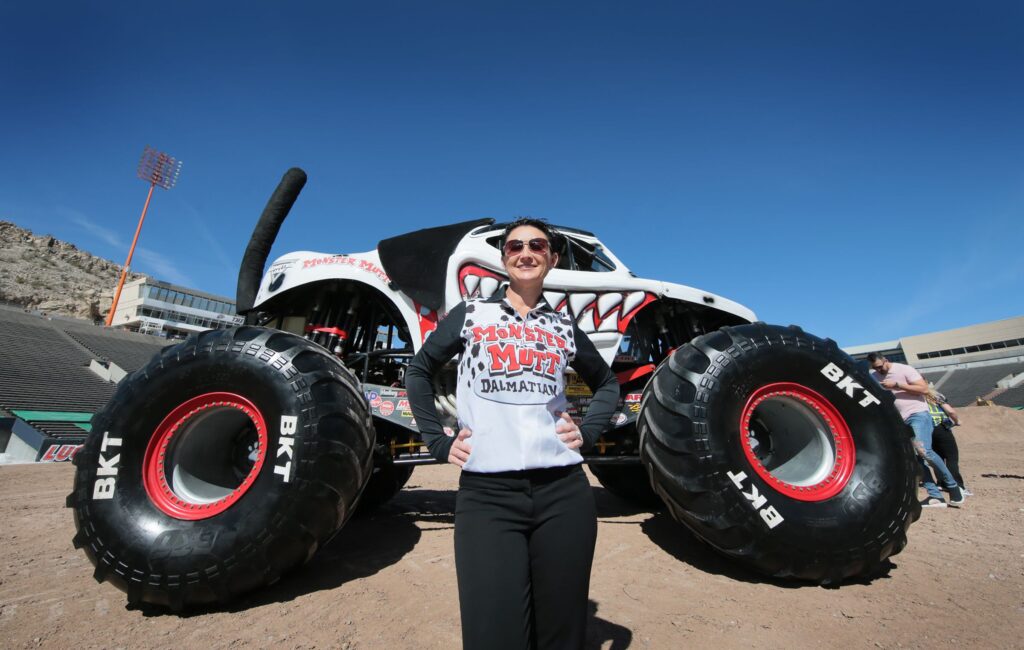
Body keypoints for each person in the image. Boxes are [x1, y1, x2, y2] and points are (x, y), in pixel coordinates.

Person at [405, 218, 619, 650]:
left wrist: (590, 433)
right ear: (504, 258)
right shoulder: (471, 314)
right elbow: (419, 371)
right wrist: (438, 441)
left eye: (537, 246)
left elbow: (608, 384)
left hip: (564, 493)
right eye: (515, 246)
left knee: (562, 634)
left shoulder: (562, 327)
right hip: (488, 497)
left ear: (551, 258)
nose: (526, 253)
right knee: (492, 636)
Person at [867, 353, 964, 508]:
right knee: (915, 460)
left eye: (881, 366)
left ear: (886, 360)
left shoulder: (905, 369)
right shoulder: (874, 376)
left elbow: (924, 389)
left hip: (917, 415)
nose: (879, 370)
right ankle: (935, 496)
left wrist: (897, 385)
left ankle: (953, 487)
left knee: (924, 450)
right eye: (875, 368)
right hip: (899, 421)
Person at [926, 390, 971, 496]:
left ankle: (941, 482)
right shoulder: (934, 395)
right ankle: (958, 486)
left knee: (937, 456)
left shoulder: (912, 396)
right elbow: (950, 412)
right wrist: (957, 421)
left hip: (926, 428)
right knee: (951, 457)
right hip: (940, 426)